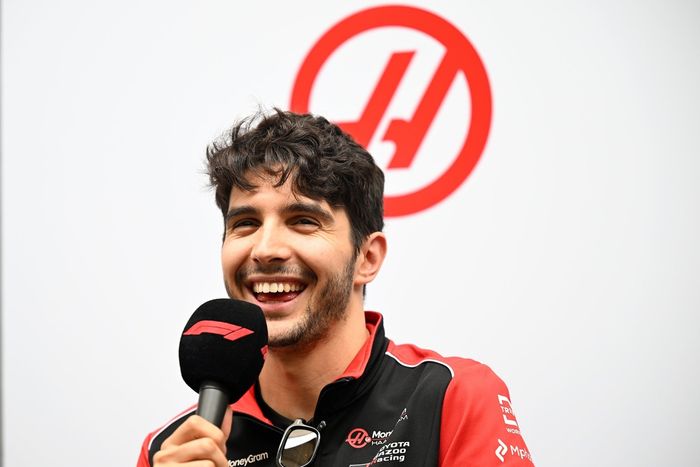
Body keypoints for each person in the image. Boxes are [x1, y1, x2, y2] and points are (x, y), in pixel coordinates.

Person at [137, 110, 534, 466]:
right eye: (246, 224)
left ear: (367, 258)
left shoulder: (452, 397)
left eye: (303, 221)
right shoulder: (169, 451)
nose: (265, 249)